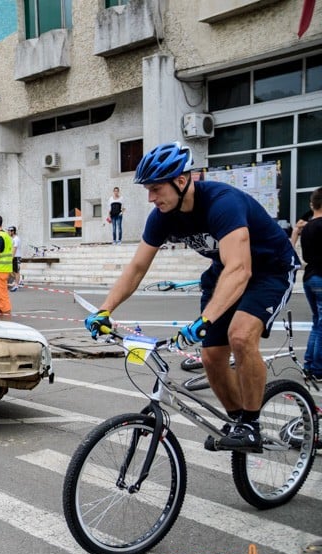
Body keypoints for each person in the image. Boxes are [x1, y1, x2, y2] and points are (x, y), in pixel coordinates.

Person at [84, 141, 299, 453]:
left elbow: (241, 269)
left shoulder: (222, 203)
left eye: (156, 189)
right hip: (222, 273)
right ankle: (237, 419)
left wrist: (204, 320)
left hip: (270, 269)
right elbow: (137, 267)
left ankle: (251, 425)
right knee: (211, 356)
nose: (150, 198)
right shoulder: (162, 216)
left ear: (181, 181)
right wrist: (104, 310)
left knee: (240, 336)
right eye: (147, 190)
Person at [291, 187, 322, 380]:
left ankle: (310, 365)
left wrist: (295, 232)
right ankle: (317, 370)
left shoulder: (307, 227)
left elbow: (293, 250)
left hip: (309, 276)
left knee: (316, 323)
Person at [7, 226, 22, 290]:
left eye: (9, 231)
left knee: (16, 272)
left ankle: (16, 285)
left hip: (16, 257)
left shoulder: (16, 239)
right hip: (14, 257)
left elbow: (14, 249)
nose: (8, 232)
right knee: (12, 271)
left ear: (12, 231)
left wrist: (11, 258)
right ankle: (18, 281)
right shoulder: (13, 239)